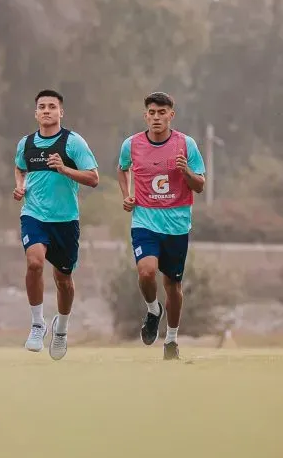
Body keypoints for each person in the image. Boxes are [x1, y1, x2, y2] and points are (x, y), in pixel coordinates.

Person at [117, 91, 205, 360]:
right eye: (152, 113)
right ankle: (153, 309)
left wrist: (185, 171)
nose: (156, 118)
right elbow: (122, 169)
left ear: (171, 115)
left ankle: (172, 340)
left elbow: (200, 185)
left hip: (177, 225)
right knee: (146, 272)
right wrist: (127, 195)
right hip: (144, 221)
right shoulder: (131, 144)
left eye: (161, 113)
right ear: (146, 115)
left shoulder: (186, 144)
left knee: (173, 287)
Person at [14, 90, 99, 359]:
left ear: (61, 112)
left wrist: (64, 169)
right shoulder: (25, 144)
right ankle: (37, 323)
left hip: (65, 221)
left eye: (52, 106)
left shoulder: (73, 143)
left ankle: (60, 328)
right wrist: (20, 186)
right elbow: (19, 167)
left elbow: (93, 178)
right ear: (36, 113)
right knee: (35, 262)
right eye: (42, 107)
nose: (47, 111)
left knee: (63, 279)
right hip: (33, 215)